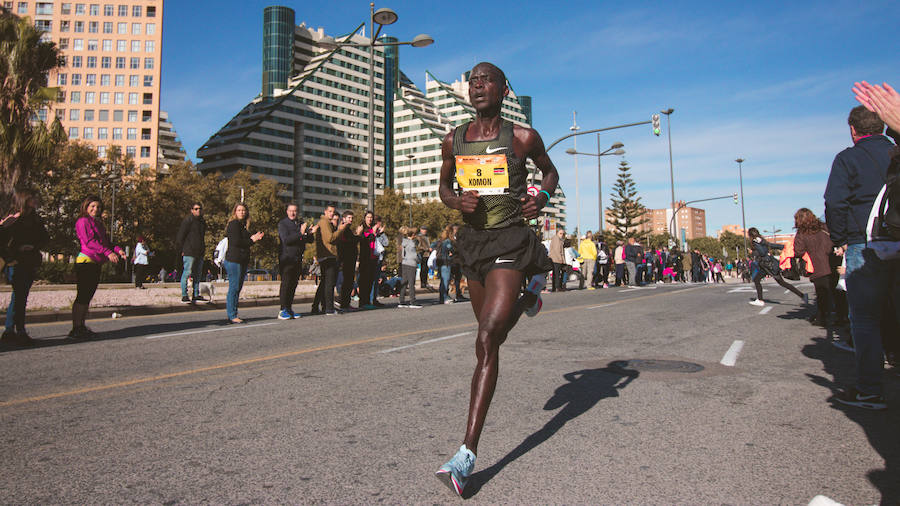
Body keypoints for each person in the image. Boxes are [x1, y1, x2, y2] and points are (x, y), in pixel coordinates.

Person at [434, 62, 558, 496]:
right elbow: (444, 187)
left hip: (510, 240)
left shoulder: (523, 137)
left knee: (486, 339)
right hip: (473, 245)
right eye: (472, 81)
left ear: (504, 89)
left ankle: (465, 455)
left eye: (486, 80)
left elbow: (551, 174)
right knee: (494, 337)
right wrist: (456, 203)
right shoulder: (455, 138)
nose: (477, 86)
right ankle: (528, 297)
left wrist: (540, 197)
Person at [824, 101, 897, 410]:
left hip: (865, 244)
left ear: (853, 130)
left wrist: (839, 239)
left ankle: (870, 389)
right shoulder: (895, 153)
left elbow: (835, 201)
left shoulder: (848, 158)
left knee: (864, 318)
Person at [70, 196, 126, 339]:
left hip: (96, 262)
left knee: (87, 296)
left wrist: (118, 249)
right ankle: (76, 328)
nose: (96, 209)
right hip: (86, 261)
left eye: (98, 207)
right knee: (82, 296)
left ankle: (81, 326)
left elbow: (106, 241)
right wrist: (108, 253)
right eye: (93, 206)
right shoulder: (83, 221)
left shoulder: (98, 223)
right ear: (86, 206)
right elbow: (90, 242)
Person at [1, 189, 49, 346]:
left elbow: (45, 238)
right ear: (24, 199)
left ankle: (15, 330)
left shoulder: (36, 219)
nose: (35, 201)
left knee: (21, 296)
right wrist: (15, 252)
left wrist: (33, 246)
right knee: (19, 296)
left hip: (30, 260)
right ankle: (13, 330)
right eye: (32, 198)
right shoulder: (14, 219)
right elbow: (3, 240)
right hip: (15, 261)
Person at [792, 208, 836, 327]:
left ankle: (822, 317)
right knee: (836, 291)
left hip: (817, 264)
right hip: (832, 260)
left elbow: (798, 251)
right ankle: (841, 316)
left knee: (822, 292)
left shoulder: (802, 232)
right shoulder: (824, 226)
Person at [223, 203, 264, 324]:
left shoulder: (243, 226)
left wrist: (254, 237)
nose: (241, 212)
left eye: (243, 210)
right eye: (239, 210)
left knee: (237, 288)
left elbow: (246, 241)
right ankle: (232, 315)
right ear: (235, 212)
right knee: (234, 288)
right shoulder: (233, 224)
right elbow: (236, 242)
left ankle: (233, 313)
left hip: (241, 260)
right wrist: (252, 239)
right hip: (234, 260)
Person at [747, 227, 807, 307]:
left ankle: (760, 300)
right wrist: (782, 247)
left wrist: (753, 252)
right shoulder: (761, 239)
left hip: (767, 265)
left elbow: (762, 252)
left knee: (776, 282)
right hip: (769, 264)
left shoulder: (755, 242)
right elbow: (770, 245)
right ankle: (802, 295)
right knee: (759, 280)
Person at [277, 203, 316, 319]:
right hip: (287, 258)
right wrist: (300, 232)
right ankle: (283, 309)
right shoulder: (283, 224)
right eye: (290, 211)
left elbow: (308, 240)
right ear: (287, 211)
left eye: (295, 211)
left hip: (298, 258)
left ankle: (289, 308)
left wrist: (309, 233)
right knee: (286, 284)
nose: (293, 213)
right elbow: (286, 240)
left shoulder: (299, 223)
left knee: (293, 284)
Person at [175, 202, 207, 304]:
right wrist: (181, 250)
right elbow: (181, 236)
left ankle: (196, 294)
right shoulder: (187, 221)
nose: (198, 211)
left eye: (200, 209)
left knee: (197, 274)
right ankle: (184, 295)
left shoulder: (202, 222)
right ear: (192, 210)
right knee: (187, 272)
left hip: (199, 251)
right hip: (189, 251)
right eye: (196, 209)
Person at [312, 205, 339, 315]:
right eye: (330, 211)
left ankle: (318, 306)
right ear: (325, 212)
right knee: (329, 283)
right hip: (328, 256)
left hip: (326, 256)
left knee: (324, 283)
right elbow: (330, 238)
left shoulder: (324, 223)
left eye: (333, 212)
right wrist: (340, 230)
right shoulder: (324, 222)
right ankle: (328, 308)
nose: (332, 214)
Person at [335, 210, 360, 313]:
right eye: (349, 218)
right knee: (347, 282)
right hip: (346, 260)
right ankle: (343, 303)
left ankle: (346, 302)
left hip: (350, 259)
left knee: (349, 282)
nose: (351, 220)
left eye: (352, 218)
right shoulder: (343, 230)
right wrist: (358, 235)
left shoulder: (348, 230)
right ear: (344, 219)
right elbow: (348, 243)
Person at [398, 227, 422, 308]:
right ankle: (413, 301)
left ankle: (401, 300)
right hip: (411, 263)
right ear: (413, 235)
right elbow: (414, 255)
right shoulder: (411, 243)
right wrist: (419, 259)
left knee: (404, 282)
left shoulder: (404, 242)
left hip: (404, 262)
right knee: (411, 283)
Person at [435, 224, 455, 304]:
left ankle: (441, 297)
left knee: (442, 281)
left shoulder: (440, 240)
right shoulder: (448, 241)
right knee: (446, 280)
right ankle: (445, 297)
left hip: (440, 261)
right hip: (445, 262)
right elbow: (451, 249)